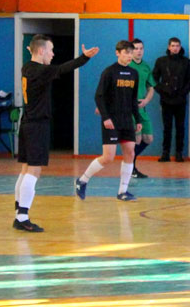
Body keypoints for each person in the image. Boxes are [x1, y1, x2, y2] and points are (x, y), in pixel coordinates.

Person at [12, 35, 99, 232]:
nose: (53, 54)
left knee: (26, 169)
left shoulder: (27, 67)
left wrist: (32, 50)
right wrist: (84, 57)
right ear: (41, 51)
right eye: (50, 50)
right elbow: (63, 68)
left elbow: (48, 63)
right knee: (34, 170)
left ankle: (19, 212)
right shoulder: (40, 71)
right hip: (37, 126)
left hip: (27, 123)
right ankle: (22, 217)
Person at [75, 40, 143, 203]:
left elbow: (133, 99)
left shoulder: (134, 73)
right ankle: (82, 180)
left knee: (130, 153)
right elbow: (99, 96)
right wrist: (106, 117)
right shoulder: (109, 72)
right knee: (108, 157)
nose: (129, 56)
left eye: (131, 53)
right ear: (117, 53)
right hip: (112, 120)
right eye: (126, 53)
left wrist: (137, 118)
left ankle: (123, 191)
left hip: (127, 120)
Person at [152, 37, 190, 162]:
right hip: (166, 100)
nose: (175, 48)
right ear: (169, 47)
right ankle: (165, 153)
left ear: (180, 47)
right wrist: (162, 91)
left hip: (180, 100)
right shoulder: (161, 61)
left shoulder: (186, 62)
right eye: (173, 46)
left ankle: (179, 153)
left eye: (177, 46)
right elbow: (154, 79)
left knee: (180, 127)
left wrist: (183, 93)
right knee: (167, 127)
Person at [128, 38, 156, 178]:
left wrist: (146, 100)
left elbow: (151, 87)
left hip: (142, 108)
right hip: (130, 109)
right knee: (137, 139)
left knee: (148, 139)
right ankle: (131, 167)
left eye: (141, 48)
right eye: (136, 48)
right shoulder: (127, 65)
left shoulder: (145, 67)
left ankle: (129, 161)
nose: (139, 51)